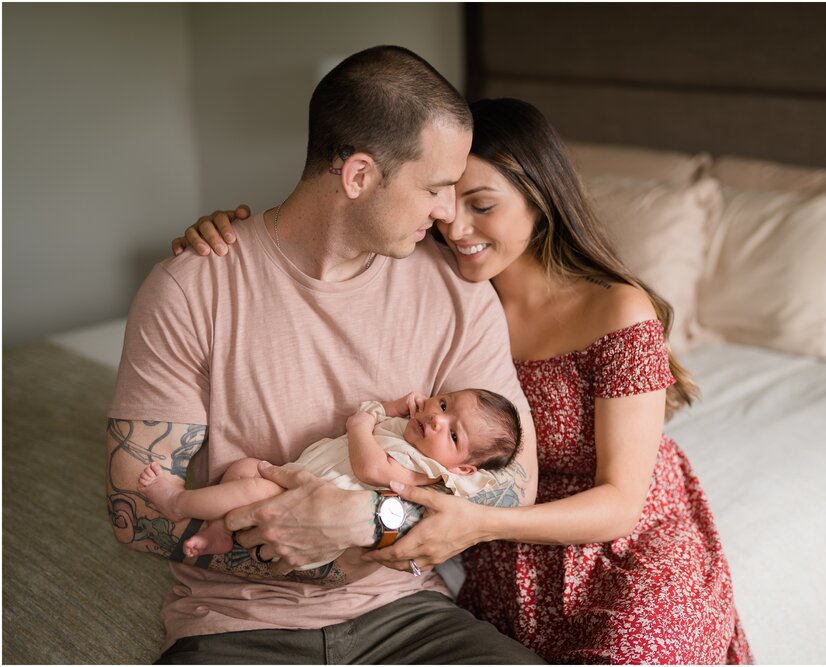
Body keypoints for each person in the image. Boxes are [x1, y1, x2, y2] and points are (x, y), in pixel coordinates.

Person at [177, 98, 753, 663]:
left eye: (482, 205)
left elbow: (623, 504)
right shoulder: (451, 289)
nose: (456, 227)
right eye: (446, 202)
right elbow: (330, 244)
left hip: (621, 551)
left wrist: (478, 523)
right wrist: (229, 240)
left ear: (540, 200)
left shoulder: (618, 312)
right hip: (509, 564)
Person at [107, 46, 543, 664]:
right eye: (437, 188)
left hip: (410, 618)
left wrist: (375, 521)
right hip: (237, 627)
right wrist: (310, 549)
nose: (449, 214)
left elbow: (516, 483)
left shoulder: (456, 293)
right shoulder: (193, 287)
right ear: (359, 175)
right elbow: (133, 513)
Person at [138, 389, 522, 564]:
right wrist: (385, 409)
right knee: (243, 469)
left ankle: (177, 503)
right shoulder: (405, 427)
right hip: (295, 476)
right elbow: (375, 410)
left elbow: (372, 470)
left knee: (254, 486)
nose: (437, 418)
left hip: (312, 513)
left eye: (453, 435)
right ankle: (219, 533)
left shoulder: (425, 471)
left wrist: (358, 426)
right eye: (444, 404)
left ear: (462, 469)